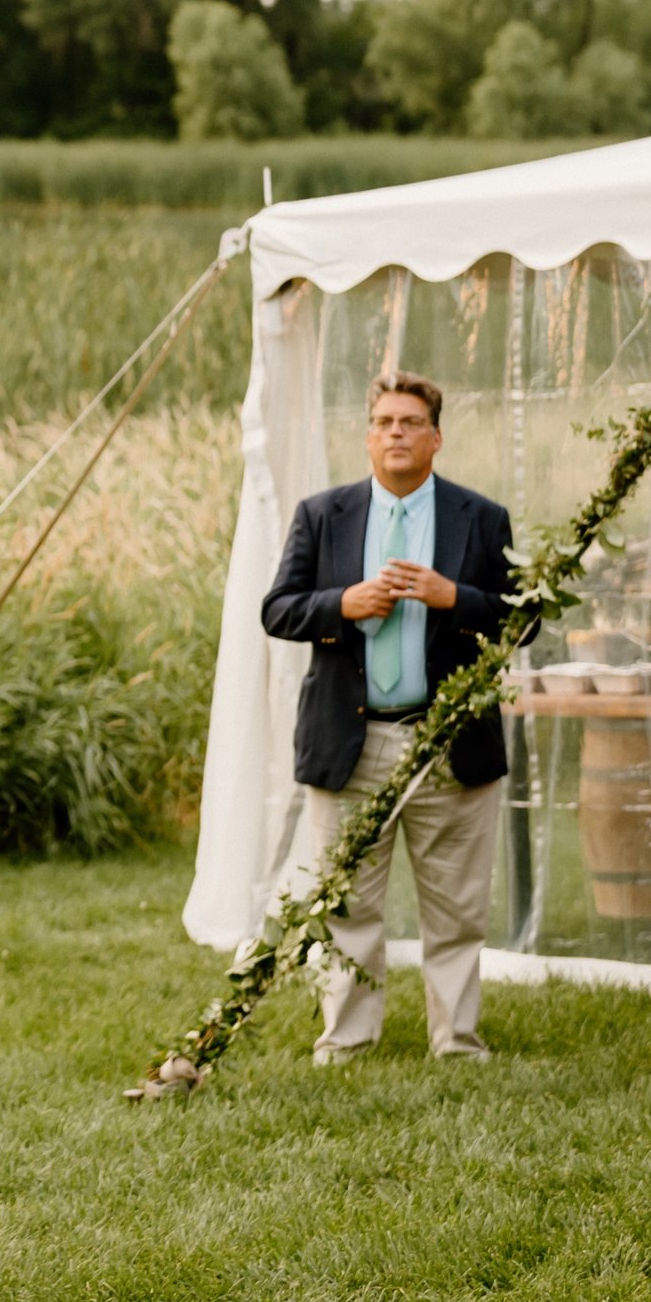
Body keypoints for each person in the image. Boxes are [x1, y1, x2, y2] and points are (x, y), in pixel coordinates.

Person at [261, 372, 520, 1064]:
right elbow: (278, 608)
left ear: (436, 437)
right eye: (384, 422)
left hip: (449, 741)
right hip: (350, 738)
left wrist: (453, 597)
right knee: (347, 902)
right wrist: (341, 604)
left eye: (410, 422)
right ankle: (346, 1038)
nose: (396, 432)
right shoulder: (324, 515)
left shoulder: (482, 517)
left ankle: (457, 1040)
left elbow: (521, 620)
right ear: (369, 437)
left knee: (458, 906)